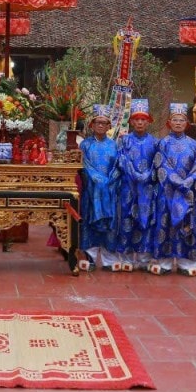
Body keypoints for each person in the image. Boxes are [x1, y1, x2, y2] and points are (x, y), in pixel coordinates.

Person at [150, 103, 196, 276]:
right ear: (169, 122)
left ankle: (186, 263)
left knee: (187, 226)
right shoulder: (162, 143)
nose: (178, 123)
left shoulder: (194, 144)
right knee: (165, 225)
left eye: (181, 120)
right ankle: (164, 262)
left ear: (187, 123)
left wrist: (187, 182)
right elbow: (160, 165)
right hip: (167, 193)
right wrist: (176, 181)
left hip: (188, 194)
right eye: (175, 120)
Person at [113, 98, 157, 272]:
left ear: (148, 122)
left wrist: (147, 175)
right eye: (136, 119)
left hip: (146, 188)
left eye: (143, 119)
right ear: (131, 121)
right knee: (126, 219)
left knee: (145, 221)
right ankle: (126, 257)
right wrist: (134, 173)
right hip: (128, 187)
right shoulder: (124, 140)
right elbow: (121, 159)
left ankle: (144, 257)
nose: (139, 122)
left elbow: (157, 163)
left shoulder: (155, 142)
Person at [78, 105, 120, 272]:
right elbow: (84, 164)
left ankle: (109, 258)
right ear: (92, 125)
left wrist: (111, 181)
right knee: (90, 221)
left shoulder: (115, 145)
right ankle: (90, 257)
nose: (101, 125)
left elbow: (119, 165)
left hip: (110, 190)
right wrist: (97, 180)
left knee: (109, 223)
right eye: (98, 122)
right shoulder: (85, 145)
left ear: (109, 126)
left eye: (104, 123)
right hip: (92, 190)